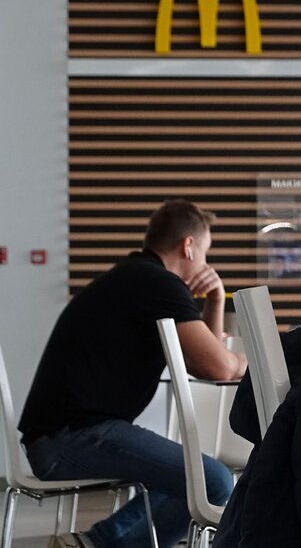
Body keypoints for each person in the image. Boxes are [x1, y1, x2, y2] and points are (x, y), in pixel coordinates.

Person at [19, 200, 247, 548]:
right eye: (205, 252)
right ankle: (102, 543)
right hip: (71, 439)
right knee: (213, 481)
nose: (206, 263)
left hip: (61, 436)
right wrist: (252, 359)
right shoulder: (158, 283)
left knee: (189, 476)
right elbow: (220, 366)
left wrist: (215, 300)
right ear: (188, 246)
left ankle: (96, 541)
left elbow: (200, 363)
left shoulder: (137, 276)